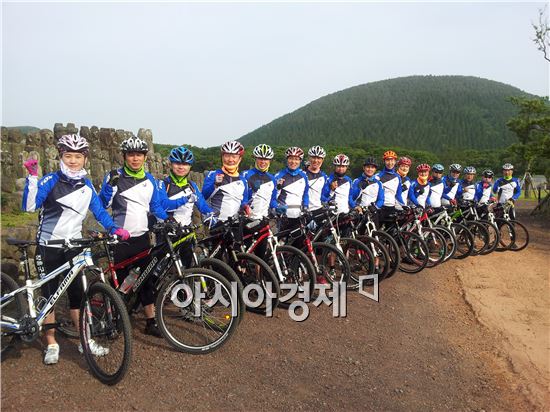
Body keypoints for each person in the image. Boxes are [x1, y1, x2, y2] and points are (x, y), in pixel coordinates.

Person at [22, 134, 129, 365]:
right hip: (49, 246)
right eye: (68, 155)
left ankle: (85, 340)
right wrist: (32, 177)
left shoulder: (87, 185)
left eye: (77, 156)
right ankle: (51, 342)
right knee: (49, 296)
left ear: (84, 159)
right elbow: (30, 207)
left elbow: (99, 211)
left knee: (78, 297)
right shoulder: (50, 180)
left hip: (75, 247)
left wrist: (113, 228)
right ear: (61, 156)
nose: (72, 161)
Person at [99, 135, 167, 337]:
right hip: (121, 239)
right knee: (119, 282)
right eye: (131, 155)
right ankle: (114, 318)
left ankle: (150, 321)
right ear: (124, 156)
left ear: (145, 157)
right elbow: (103, 204)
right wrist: (109, 188)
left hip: (142, 237)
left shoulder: (150, 180)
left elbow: (155, 206)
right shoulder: (114, 176)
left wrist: (169, 220)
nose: (135, 159)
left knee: (146, 280)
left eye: (139, 155)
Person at [158, 146, 213, 267]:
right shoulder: (163, 184)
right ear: (171, 164)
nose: (181, 167)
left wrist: (212, 214)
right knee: (162, 271)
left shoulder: (192, 186)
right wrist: (186, 198)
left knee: (187, 268)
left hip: (186, 233)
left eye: (185, 164)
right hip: (167, 233)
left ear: (190, 166)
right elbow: (164, 205)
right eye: (177, 163)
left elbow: (202, 205)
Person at [202, 140, 249, 222]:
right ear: (222, 157)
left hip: (236, 224)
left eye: (234, 156)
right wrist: (215, 185)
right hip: (217, 223)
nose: (230, 160)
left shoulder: (243, 180)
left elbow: (244, 200)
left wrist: (245, 206)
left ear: (240, 159)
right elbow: (203, 197)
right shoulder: (212, 174)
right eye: (227, 156)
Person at [274, 147, 309, 228]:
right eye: (291, 158)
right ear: (287, 159)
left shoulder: (304, 176)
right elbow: (272, 197)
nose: (293, 162)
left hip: (299, 215)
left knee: (299, 240)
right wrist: (278, 188)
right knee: (282, 240)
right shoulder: (278, 176)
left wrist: (306, 206)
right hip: (284, 216)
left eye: (296, 159)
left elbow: (305, 194)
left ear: (300, 160)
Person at [242, 144, 279, 220]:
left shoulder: (272, 179)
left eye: (266, 159)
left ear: (270, 161)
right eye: (260, 158)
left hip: (264, 219)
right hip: (247, 219)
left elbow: (272, 200)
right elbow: (240, 197)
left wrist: (276, 208)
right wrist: (244, 206)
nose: (263, 162)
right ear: (255, 159)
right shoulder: (245, 175)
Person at [375, 150, 404, 226]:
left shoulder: (398, 177)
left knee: (391, 234)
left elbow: (398, 195)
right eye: (387, 160)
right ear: (384, 161)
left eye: (392, 160)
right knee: (378, 234)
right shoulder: (378, 176)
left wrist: (404, 205)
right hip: (380, 208)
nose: (390, 163)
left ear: (395, 162)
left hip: (392, 207)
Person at [305, 146, 329, 212]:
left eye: (318, 158)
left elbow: (323, 196)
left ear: (322, 160)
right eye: (313, 157)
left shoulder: (324, 177)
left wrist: (332, 191)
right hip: (303, 211)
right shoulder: (302, 174)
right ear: (309, 158)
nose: (316, 160)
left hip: (318, 210)